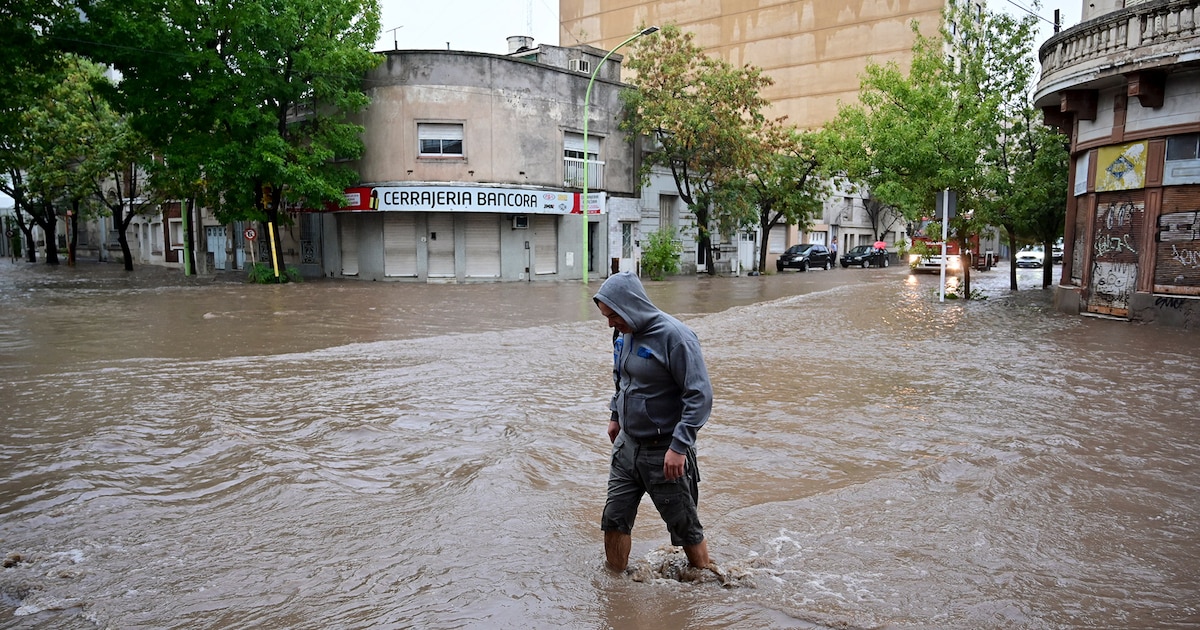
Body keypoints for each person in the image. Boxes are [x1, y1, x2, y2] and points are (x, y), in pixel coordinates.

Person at [592, 272, 716, 575]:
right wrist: (615, 416)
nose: (610, 324)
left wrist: (679, 447)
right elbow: (621, 379)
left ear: (631, 306)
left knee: (685, 525)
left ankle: (706, 579)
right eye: (606, 317)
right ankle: (615, 586)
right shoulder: (622, 333)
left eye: (614, 316)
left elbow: (699, 396)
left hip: (665, 451)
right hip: (627, 446)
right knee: (614, 518)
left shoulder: (677, 337)